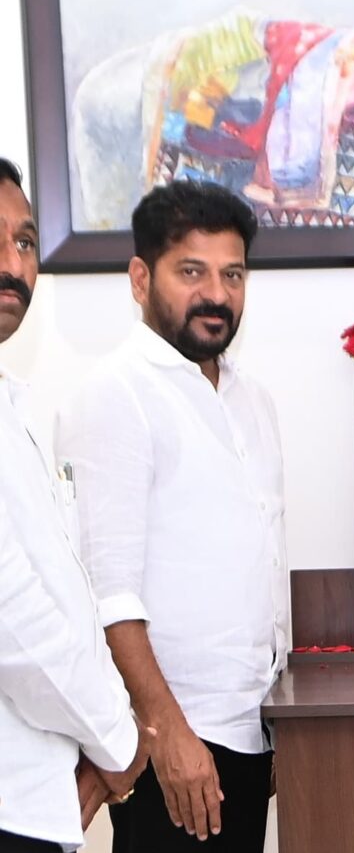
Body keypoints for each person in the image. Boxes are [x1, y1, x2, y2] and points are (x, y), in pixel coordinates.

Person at [56, 181, 289, 851]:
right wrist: (167, 733)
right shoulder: (114, 395)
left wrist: (270, 732)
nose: (216, 292)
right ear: (140, 278)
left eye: (232, 273)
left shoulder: (252, 398)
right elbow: (108, 592)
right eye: (192, 271)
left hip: (247, 736)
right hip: (177, 747)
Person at [0, 156, 149, 852]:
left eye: (25, 242)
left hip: (40, 789)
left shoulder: (15, 404)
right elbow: (16, 619)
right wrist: (119, 737)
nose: (12, 263)